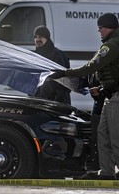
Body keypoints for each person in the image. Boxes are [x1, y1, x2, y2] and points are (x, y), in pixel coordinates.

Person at [50, 13, 119, 180]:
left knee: (116, 137)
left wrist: (64, 73)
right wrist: (101, 89)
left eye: (100, 28)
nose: (99, 32)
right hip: (109, 97)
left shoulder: (111, 46)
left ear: (108, 27)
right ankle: (108, 172)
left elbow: (89, 67)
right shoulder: (112, 44)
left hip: (116, 99)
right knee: (103, 135)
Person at [33, 25, 71, 104]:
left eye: (40, 37)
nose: (37, 40)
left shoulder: (57, 55)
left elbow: (63, 81)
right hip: (40, 101)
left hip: (55, 103)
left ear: (47, 38)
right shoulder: (35, 56)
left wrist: (58, 101)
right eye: (35, 37)